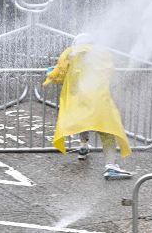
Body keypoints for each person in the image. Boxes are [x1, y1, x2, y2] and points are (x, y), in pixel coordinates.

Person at [42, 33, 133, 180]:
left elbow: (59, 75)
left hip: (78, 98)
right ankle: (110, 166)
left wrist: (50, 75)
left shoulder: (70, 53)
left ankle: (83, 147)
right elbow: (110, 72)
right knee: (107, 132)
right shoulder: (102, 53)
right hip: (98, 99)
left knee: (83, 122)